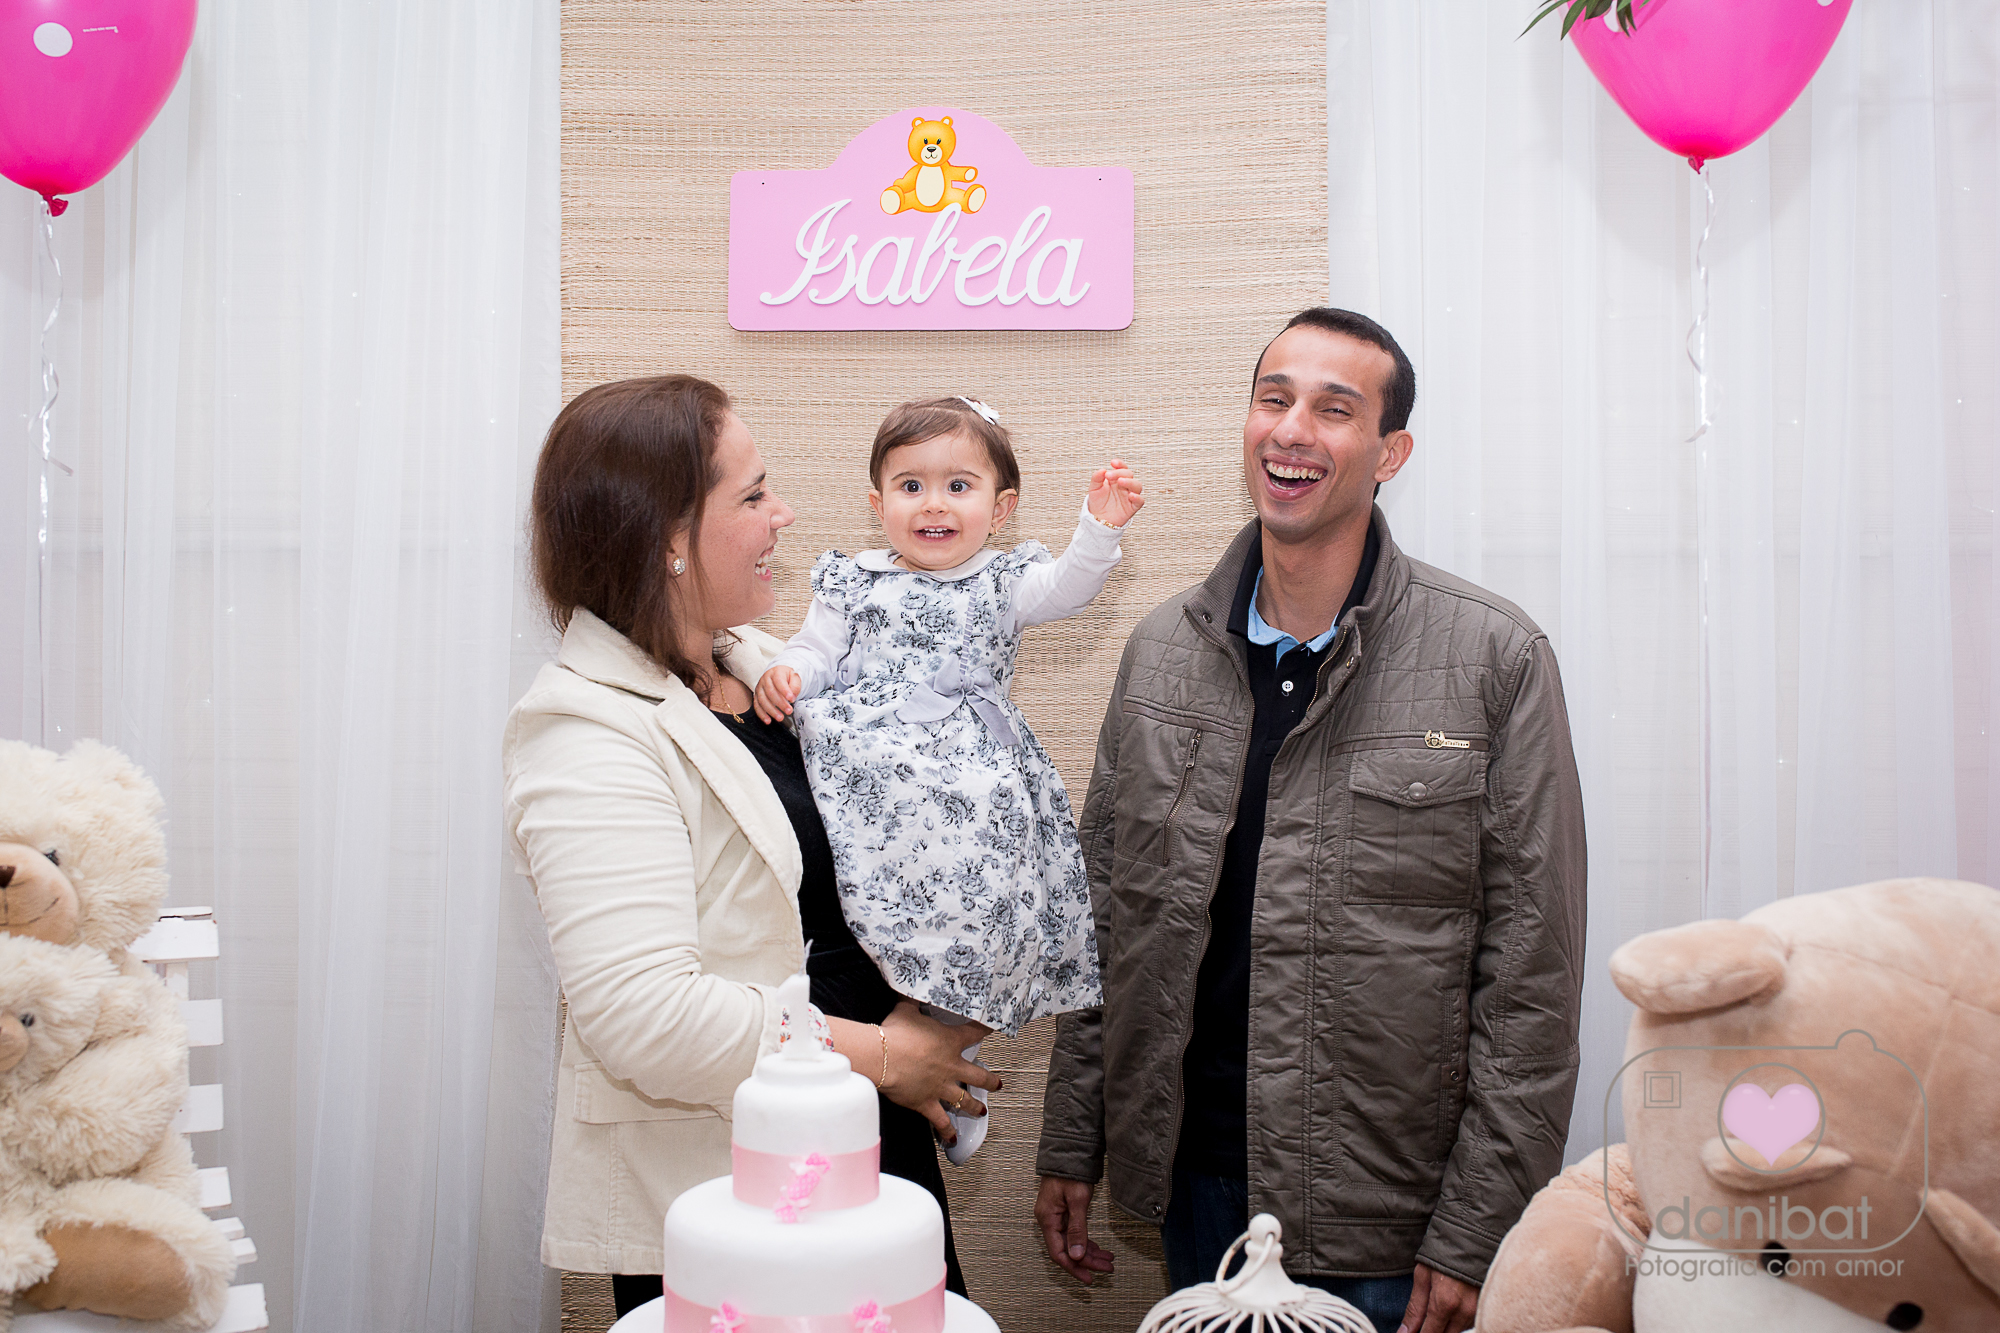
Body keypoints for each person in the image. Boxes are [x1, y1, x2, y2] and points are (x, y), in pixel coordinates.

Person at [1032, 310, 1587, 1333]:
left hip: (1388, 1216)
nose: (1291, 429)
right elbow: (1105, 919)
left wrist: (1477, 1222)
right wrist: (1075, 1137)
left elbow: (1531, 979)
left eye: (1334, 409)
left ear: (1389, 453)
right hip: (1196, 1184)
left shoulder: (1493, 658)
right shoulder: (1161, 652)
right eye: (1273, 398)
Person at [503, 376, 998, 1318]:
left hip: (864, 1141)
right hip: (730, 1192)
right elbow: (648, 1014)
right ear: (669, 537)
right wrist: (884, 1054)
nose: (785, 515)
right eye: (755, 494)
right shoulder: (584, 730)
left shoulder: (766, 670)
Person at [754, 395, 1144, 1163]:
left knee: (982, 897)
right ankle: (911, 1037)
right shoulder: (854, 580)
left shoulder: (1003, 579)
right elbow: (815, 649)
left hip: (968, 777)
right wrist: (788, 672)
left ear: (1000, 509)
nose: (933, 504)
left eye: (958, 486)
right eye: (911, 486)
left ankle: (949, 1048)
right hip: (876, 772)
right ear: (878, 505)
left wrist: (1099, 528)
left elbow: (1068, 587)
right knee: (882, 906)